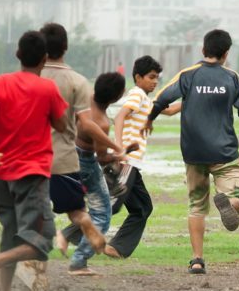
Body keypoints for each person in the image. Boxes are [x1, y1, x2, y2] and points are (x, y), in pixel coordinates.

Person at [148, 29, 239, 274]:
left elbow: (162, 99)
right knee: (235, 193)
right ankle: (230, 202)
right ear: (226, 53)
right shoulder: (232, 78)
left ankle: (197, 260)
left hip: (194, 152)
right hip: (225, 152)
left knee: (196, 206)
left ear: (203, 50)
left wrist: (149, 120)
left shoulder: (188, 75)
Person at [0, 31, 69, 291]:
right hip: (31, 174)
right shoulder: (48, 89)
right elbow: (62, 125)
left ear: (18, 55)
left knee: (12, 234)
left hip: (0, 172)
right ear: (44, 59)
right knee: (42, 241)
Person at [39, 23, 124, 276]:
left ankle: (30, 262)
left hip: (31, 156)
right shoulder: (77, 83)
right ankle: (78, 260)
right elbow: (88, 127)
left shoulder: (30, 78)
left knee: (32, 212)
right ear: (66, 47)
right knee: (96, 212)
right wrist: (117, 149)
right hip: (68, 159)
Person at [55, 72, 127, 264]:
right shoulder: (101, 122)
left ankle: (67, 237)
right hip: (85, 163)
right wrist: (120, 154)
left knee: (77, 209)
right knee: (102, 214)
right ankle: (79, 260)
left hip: (65, 155)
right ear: (117, 97)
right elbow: (102, 158)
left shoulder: (83, 101)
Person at [101, 55, 163, 259]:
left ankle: (116, 248)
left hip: (133, 163)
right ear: (138, 77)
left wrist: (191, 98)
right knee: (111, 204)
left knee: (143, 207)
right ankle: (70, 234)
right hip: (127, 160)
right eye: (151, 77)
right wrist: (119, 147)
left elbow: (168, 109)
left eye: (157, 78)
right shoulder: (137, 94)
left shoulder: (145, 99)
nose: (155, 81)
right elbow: (120, 116)